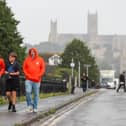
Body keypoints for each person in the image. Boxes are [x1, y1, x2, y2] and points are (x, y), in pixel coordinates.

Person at [23, 48, 45, 113]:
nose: (32, 53)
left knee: (36, 94)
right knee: (28, 92)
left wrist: (39, 75)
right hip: (28, 79)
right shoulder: (27, 60)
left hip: (37, 80)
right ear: (29, 53)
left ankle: (35, 107)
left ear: (35, 52)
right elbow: (24, 68)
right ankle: (29, 106)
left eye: (33, 52)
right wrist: (27, 75)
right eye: (31, 52)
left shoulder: (40, 59)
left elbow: (43, 69)